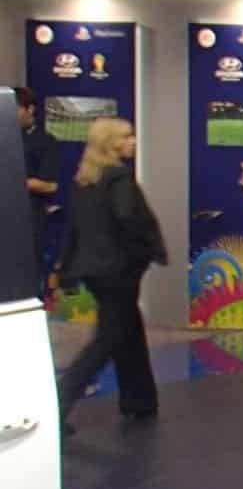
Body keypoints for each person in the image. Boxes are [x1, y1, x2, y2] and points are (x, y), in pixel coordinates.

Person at [55, 119, 166, 426]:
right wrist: (145, 253)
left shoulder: (85, 181)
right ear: (111, 143)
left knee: (129, 329)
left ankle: (139, 401)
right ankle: (58, 405)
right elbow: (130, 220)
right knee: (106, 340)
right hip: (118, 270)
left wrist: (66, 270)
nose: (133, 141)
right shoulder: (118, 179)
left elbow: (75, 230)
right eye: (126, 136)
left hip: (95, 271)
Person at [15, 86, 59, 297]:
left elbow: (50, 185)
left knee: (28, 273)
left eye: (15, 110)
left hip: (30, 218)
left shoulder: (45, 141)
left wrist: (15, 183)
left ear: (29, 109)